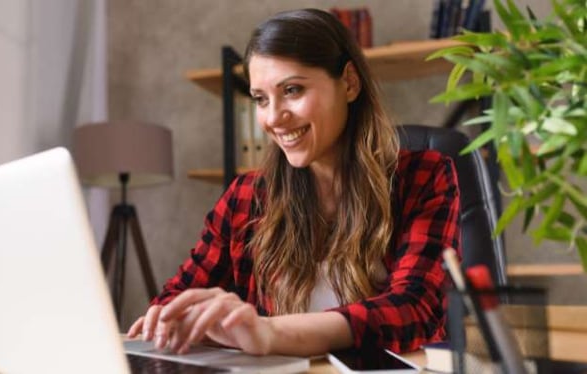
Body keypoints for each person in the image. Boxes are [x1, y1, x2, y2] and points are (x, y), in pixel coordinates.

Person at [127, 8, 460, 357]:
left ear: (349, 82)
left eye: (293, 90)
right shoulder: (247, 197)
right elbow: (173, 302)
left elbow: (414, 309)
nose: (273, 118)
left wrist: (268, 332)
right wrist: (182, 317)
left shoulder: (425, 176)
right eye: (260, 99)